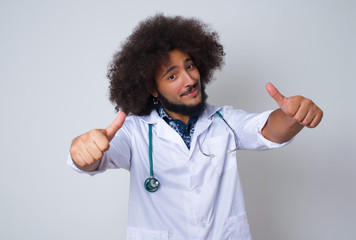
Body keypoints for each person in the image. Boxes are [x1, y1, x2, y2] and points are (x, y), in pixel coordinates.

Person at [68, 14, 323, 240]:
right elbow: (97, 156)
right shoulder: (134, 131)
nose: (190, 80)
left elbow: (268, 130)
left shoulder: (223, 120)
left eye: (189, 66)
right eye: (172, 75)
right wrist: (81, 150)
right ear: (153, 89)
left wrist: (293, 116)